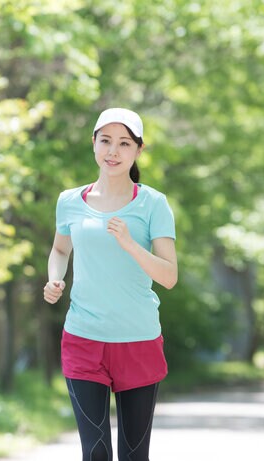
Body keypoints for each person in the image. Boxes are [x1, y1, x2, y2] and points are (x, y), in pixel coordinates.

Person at [43, 108, 178, 461]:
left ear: (138, 150)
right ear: (93, 144)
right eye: (105, 141)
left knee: (134, 455)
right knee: (96, 453)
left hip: (138, 340)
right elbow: (60, 248)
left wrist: (131, 244)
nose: (113, 152)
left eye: (123, 143)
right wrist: (54, 277)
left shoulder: (153, 204)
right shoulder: (69, 201)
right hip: (83, 337)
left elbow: (169, 276)